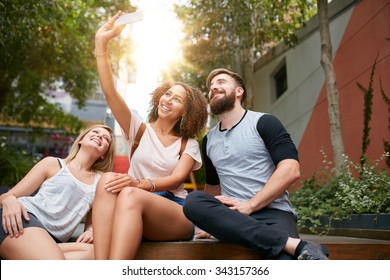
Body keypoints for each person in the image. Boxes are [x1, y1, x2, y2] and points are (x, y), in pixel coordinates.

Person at [92, 11, 208, 259]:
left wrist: (142, 184)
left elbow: (177, 178)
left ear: (185, 112)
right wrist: (101, 44)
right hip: (129, 204)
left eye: (177, 99)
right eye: (168, 94)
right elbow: (111, 92)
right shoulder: (138, 129)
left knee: (131, 193)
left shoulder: (187, 144)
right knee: (106, 182)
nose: (169, 100)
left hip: (172, 211)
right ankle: (101, 267)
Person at [183, 68, 329, 260]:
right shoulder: (209, 140)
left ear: (239, 91)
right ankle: (295, 245)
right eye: (210, 87)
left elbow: (290, 169)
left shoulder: (264, 122)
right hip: (232, 216)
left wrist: (250, 205)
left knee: (284, 261)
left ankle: (287, 245)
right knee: (193, 202)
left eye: (221, 82)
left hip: (273, 212)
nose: (214, 88)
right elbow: (213, 186)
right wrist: (210, 223)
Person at [0, 124, 115, 260]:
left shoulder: (100, 182)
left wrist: (91, 230)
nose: (99, 136)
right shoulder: (53, 164)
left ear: (104, 154)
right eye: (95, 131)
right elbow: (7, 196)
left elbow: (92, 221)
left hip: (53, 241)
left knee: (94, 253)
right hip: (23, 220)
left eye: (106, 138)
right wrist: (9, 200)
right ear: (80, 140)